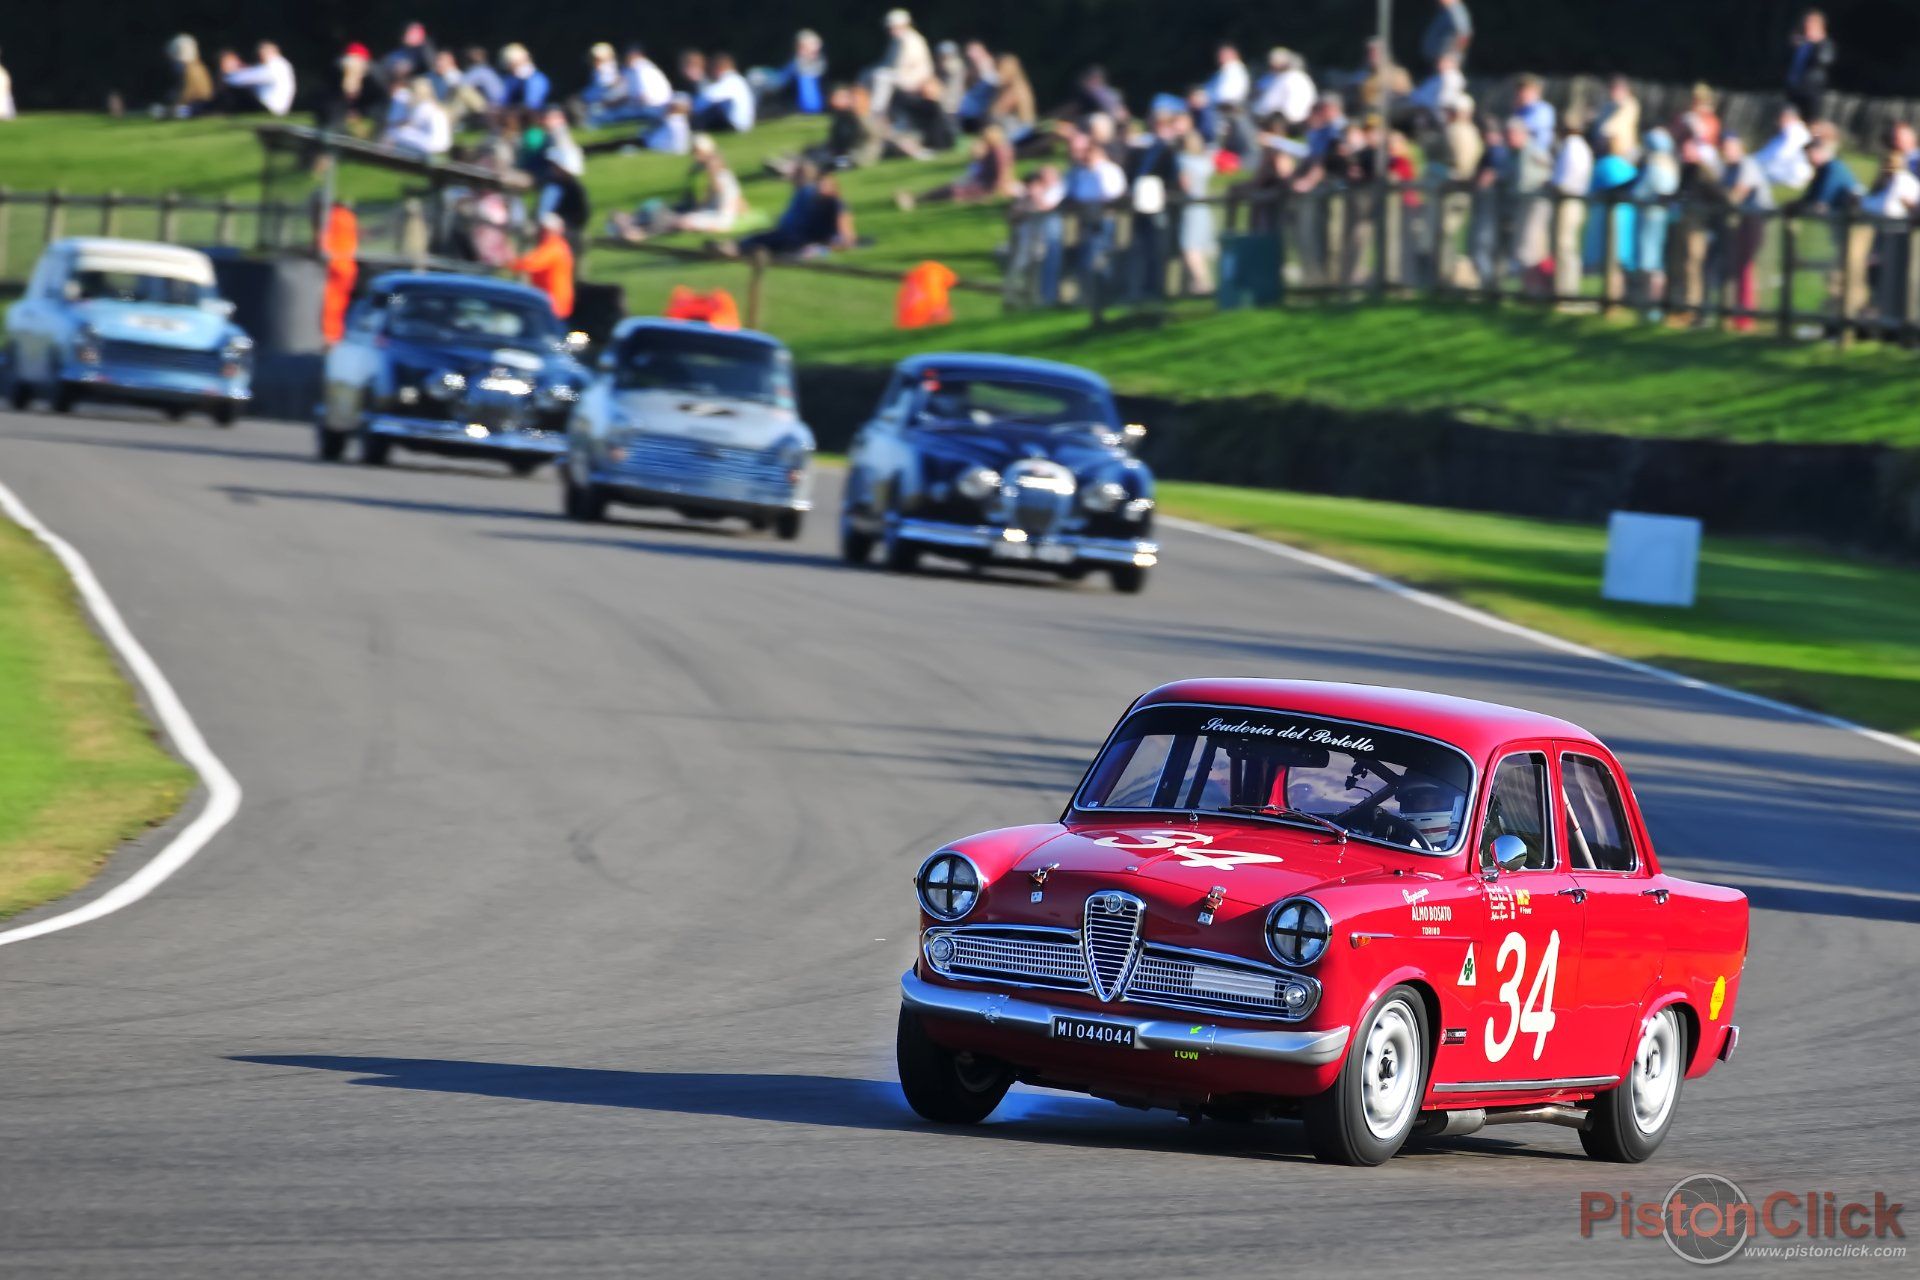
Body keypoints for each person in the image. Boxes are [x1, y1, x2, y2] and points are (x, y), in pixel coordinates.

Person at [611, 142, 743, 240]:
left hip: (718, 220)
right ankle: (634, 225)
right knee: (674, 217)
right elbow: (706, 202)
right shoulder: (720, 177)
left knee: (678, 221)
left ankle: (638, 232)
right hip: (710, 214)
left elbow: (721, 194)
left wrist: (705, 173)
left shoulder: (721, 178)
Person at [1719, 132, 1771, 330]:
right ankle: (1736, 314)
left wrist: (1722, 202)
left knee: (1745, 268)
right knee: (1737, 267)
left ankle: (1746, 318)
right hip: (1740, 222)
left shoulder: (1746, 165)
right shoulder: (1729, 168)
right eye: (1724, 147)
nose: (1727, 151)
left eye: (1730, 147)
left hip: (1753, 221)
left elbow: (1738, 194)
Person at [896, 123, 1015, 209]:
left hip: (983, 188)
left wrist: (993, 194)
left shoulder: (997, 153)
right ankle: (916, 199)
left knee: (951, 190)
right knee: (948, 188)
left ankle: (915, 201)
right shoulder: (997, 151)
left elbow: (1000, 177)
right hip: (980, 183)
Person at [1630, 128, 1680, 314]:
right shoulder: (1671, 166)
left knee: (1649, 262)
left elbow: (1640, 192)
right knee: (1657, 262)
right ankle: (1654, 306)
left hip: (1650, 216)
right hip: (1663, 216)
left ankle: (1649, 306)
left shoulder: (1655, 165)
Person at [1549, 116, 1593, 300]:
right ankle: (1567, 289)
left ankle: (1565, 291)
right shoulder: (1581, 146)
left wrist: (1551, 184)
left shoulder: (1572, 147)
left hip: (1568, 200)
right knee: (1569, 248)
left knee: (1564, 247)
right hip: (1575, 200)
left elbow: (1565, 178)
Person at [868, 9, 933, 121]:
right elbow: (888, 62)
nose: (891, 30)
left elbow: (906, 65)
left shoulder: (913, 41)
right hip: (901, 75)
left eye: (895, 27)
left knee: (882, 77)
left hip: (915, 77)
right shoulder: (896, 41)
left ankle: (877, 111)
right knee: (869, 73)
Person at [1175, 128, 1218, 294]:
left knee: (1190, 247)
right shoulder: (1205, 161)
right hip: (1204, 205)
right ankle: (1201, 282)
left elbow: (1185, 184)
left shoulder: (1183, 160)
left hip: (1191, 206)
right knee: (1201, 245)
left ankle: (1203, 283)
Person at [592, 44, 674, 128]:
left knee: (603, 114)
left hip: (654, 108)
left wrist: (615, 102)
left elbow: (643, 97)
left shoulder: (641, 69)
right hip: (649, 107)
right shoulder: (632, 69)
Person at [512, 212, 576, 319]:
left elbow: (531, 264)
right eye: (543, 230)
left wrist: (509, 262)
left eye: (547, 230)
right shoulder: (549, 246)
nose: (544, 233)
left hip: (554, 305)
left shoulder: (555, 247)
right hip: (546, 302)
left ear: (558, 231)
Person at [318, 200, 358, 345]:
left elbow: (323, 241)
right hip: (347, 265)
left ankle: (330, 336)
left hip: (335, 264)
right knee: (340, 304)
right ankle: (335, 335)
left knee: (331, 303)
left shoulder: (332, 217)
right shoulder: (349, 217)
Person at [759, 29, 827, 115]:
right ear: (800, 48)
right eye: (812, 45)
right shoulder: (796, 65)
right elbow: (780, 81)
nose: (817, 48)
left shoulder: (818, 63)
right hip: (796, 102)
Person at [220, 41, 297, 116]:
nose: (260, 56)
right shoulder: (277, 64)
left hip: (270, 108)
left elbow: (242, 79)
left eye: (262, 53)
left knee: (234, 90)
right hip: (271, 107)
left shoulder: (276, 65)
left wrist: (229, 74)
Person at [1785, 8, 1834, 122]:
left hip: (1811, 91)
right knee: (1791, 119)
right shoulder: (1802, 44)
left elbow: (1823, 61)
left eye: (1810, 25)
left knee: (1811, 122)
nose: (1806, 28)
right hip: (1794, 89)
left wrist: (1816, 43)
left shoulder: (1825, 44)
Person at [384, 76, 451, 157]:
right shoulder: (432, 105)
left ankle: (386, 153)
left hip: (432, 144)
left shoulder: (423, 106)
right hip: (443, 144)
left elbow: (411, 124)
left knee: (396, 133)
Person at [1253, 48, 1315, 132]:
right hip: (1296, 119)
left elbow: (1268, 102)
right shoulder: (1302, 78)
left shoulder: (1286, 77)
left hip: (1284, 121)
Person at [1755, 103, 1813, 189]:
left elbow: (1780, 155)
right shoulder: (1783, 135)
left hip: (1791, 174)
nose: (1780, 121)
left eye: (1784, 118)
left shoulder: (1796, 133)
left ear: (1793, 118)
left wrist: (1755, 164)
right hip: (1778, 171)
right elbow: (1765, 154)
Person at [694, 53, 755, 132]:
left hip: (735, 125)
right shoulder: (738, 80)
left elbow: (704, 100)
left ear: (718, 68)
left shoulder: (729, 80)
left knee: (715, 107)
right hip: (744, 124)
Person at [161, 35, 214, 118]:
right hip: (198, 103)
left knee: (178, 110)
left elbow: (187, 91)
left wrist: (177, 103)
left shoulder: (185, 68)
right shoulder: (198, 66)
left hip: (195, 104)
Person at [1590, 76, 1639, 160]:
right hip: (1603, 150)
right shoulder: (1608, 105)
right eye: (1611, 89)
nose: (1613, 92)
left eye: (1616, 89)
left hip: (1623, 153)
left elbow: (1611, 127)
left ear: (1625, 90)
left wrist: (1602, 133)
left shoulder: (1630, 105)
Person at [1421, 0, 1474, 70]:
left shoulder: (1456, 10)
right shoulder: (1447, 10)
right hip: (1441, 60)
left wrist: (1452, 56)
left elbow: (1464, 34)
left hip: (1448, 62)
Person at [1510, 75, 1555, 154]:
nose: (1521, 95)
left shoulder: (1543, 109)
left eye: (1524, 91)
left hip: (1538, 155)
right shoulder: (1520, 110)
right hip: (1520, 153)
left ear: (1535, 92)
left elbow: (1520, 129)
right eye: (1519, 92)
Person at [499, 43, 550, 111]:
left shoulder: (537, 80)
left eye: (515, 63)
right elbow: (502, 101)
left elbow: (532, 106)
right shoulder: (510, 79)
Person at [462, 46, 505, 112]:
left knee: (462, 92)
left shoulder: (479, 70)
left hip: (492, 107)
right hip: (499, 104)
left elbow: (462, 86)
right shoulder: (489, 70)